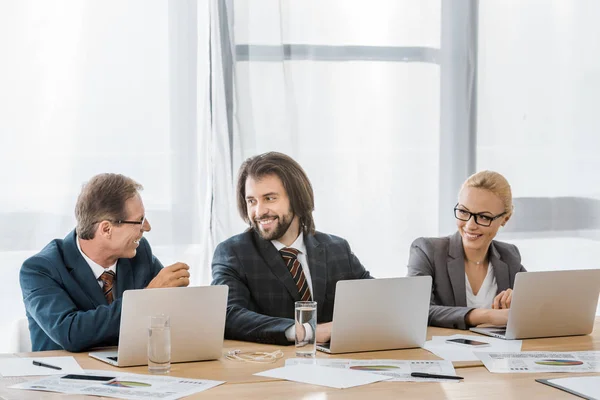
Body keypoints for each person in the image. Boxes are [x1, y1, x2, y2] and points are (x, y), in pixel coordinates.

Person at [211, 152, 372, 345]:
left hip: (335, 364)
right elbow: (228, 315)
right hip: (269, 367)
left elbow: (374, 299)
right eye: (252, 201)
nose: (259, 211)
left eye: (269, 198)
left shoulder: (337, 249)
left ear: (296, 198)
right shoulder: (233, 252)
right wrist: (305, 331)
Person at [20, 173, 191, 352]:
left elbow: (167, 313)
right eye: (139, 220)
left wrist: (175, 296)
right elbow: (70, 333)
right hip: (64, 375)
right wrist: (145, 299)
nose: (147, 227)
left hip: (128, 373)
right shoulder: (40, 269)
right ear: (106, 229)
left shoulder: (139, 253)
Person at [407, 170, 526, 329]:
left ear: (505, 219)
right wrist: (487, 315)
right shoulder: (427, 250)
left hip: (497, 351)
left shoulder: (509, 256)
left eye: (484, 217)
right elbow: (416, 310)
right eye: (463, 212)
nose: (470, 225)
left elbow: (539, 304)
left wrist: (520, 299)